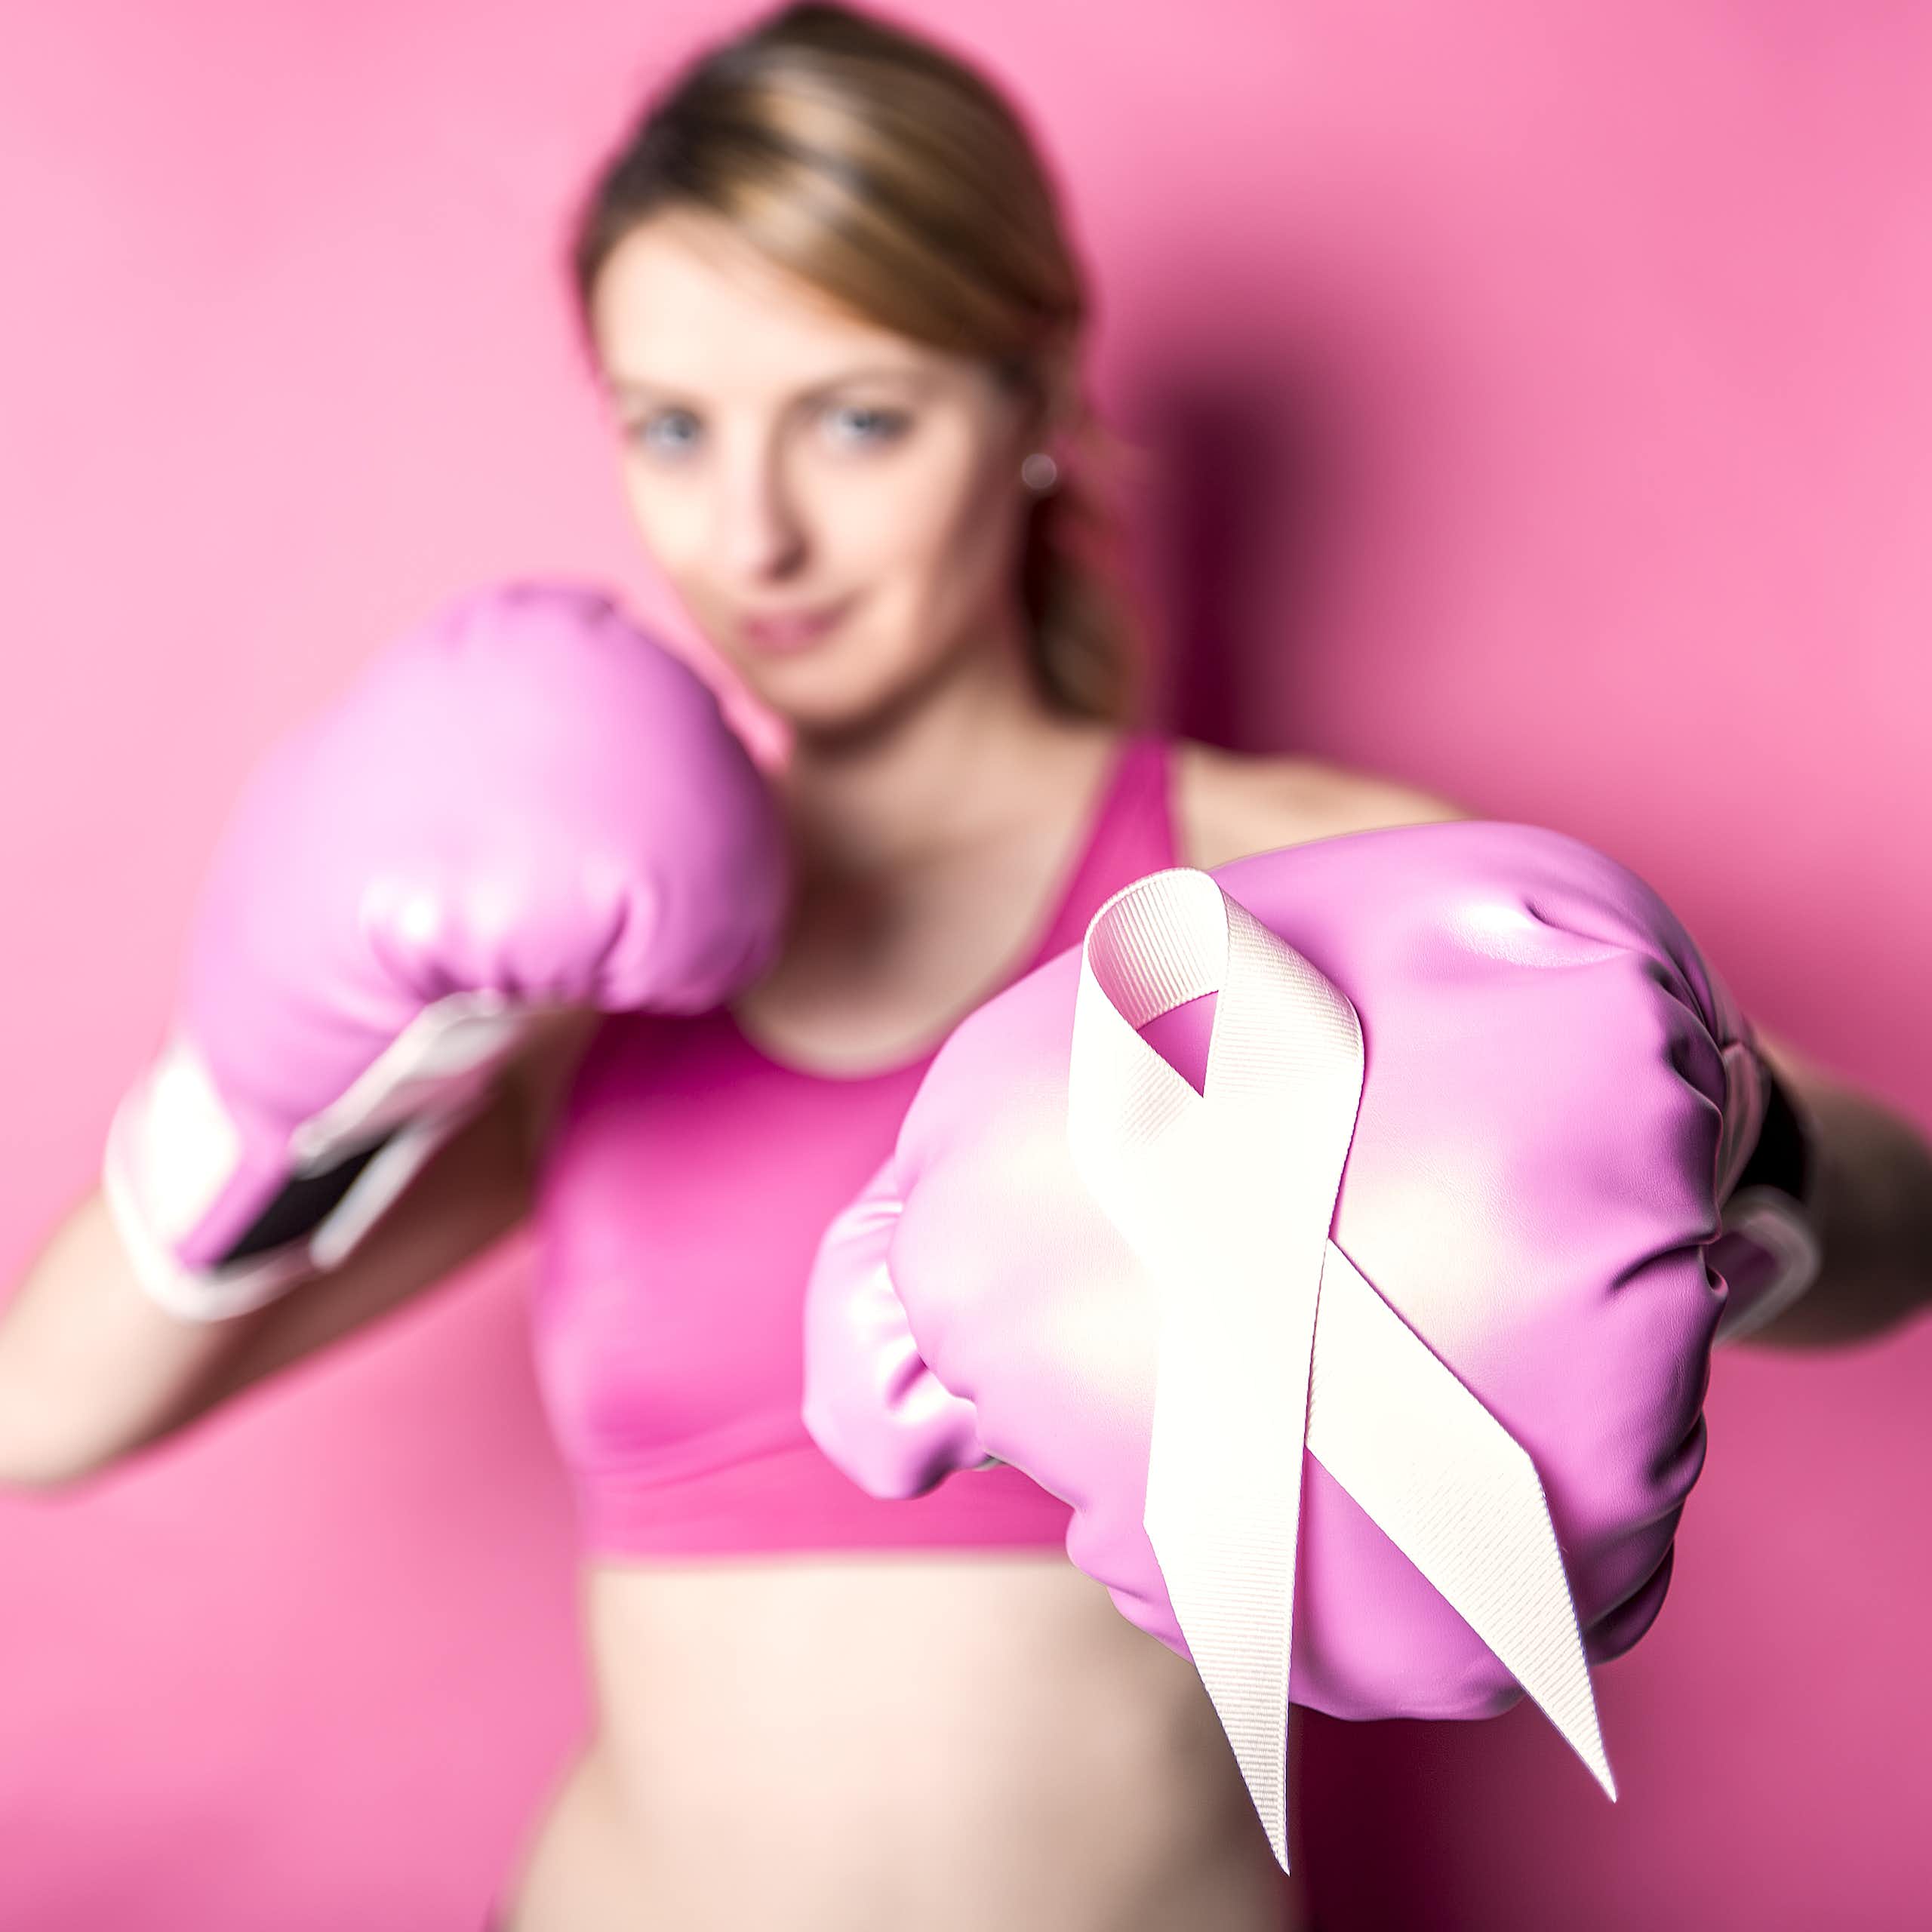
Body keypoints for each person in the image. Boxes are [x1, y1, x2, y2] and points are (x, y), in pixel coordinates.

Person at [2, 6, 1927, 1929]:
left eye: (856, 417)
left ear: (1029, 403)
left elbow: (1899, 1231)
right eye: (673, 426)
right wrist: (268, 1067)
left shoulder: (1268, 892)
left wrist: (1701, 1118)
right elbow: (43, 1415)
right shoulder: (574, 971)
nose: (752, 532)